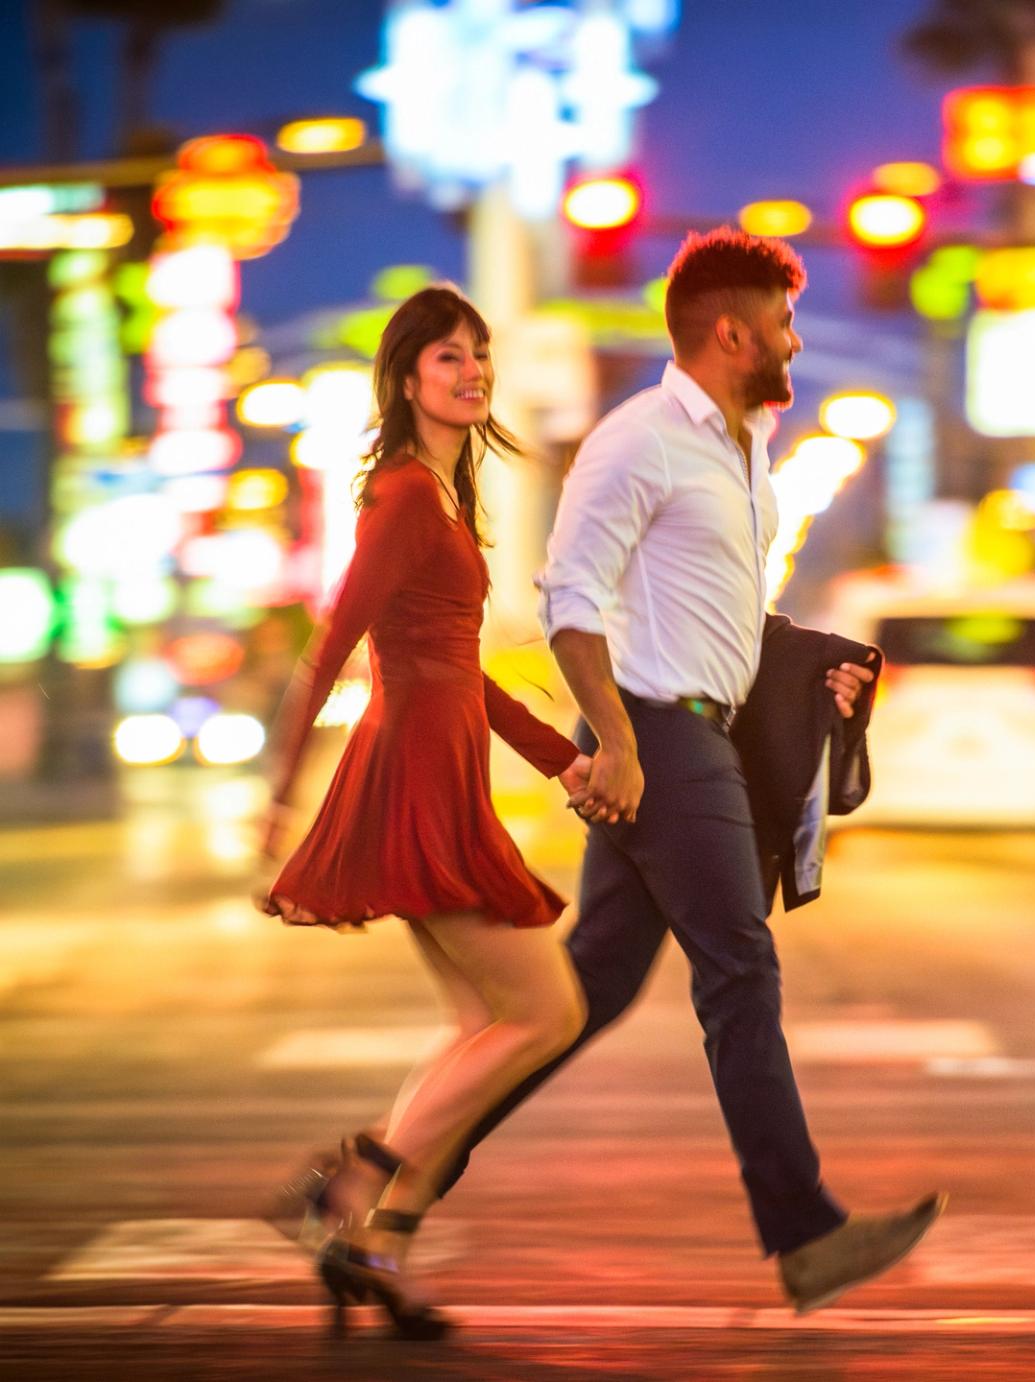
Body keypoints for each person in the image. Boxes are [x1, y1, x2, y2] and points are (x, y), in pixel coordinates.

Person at [437, 228, 943, 1313]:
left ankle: (388, 1169)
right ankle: (806, 1233)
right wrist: (615, 743)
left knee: (589, 991)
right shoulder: (639, 443)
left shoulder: (743, 443)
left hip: (693, 724)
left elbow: (719, 613)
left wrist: (811, 672)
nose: (796, 341)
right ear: (731, 332)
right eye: (784, 323)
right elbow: (573, 600)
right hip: (660, 735)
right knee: (739, 969)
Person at [257, 285, 591, 1339]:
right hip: (412, 776)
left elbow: (462, 670)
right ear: (407, 380)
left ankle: (374, 1246)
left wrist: (558, 760)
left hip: (442, 766)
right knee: (545, 1013)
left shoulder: (447, 497)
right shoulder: (404, 495)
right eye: (448, 357)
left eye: (479, 353)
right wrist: (279, 788)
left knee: (482, 1023)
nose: (472, 370)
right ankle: (352, 1182)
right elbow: (336, 637)